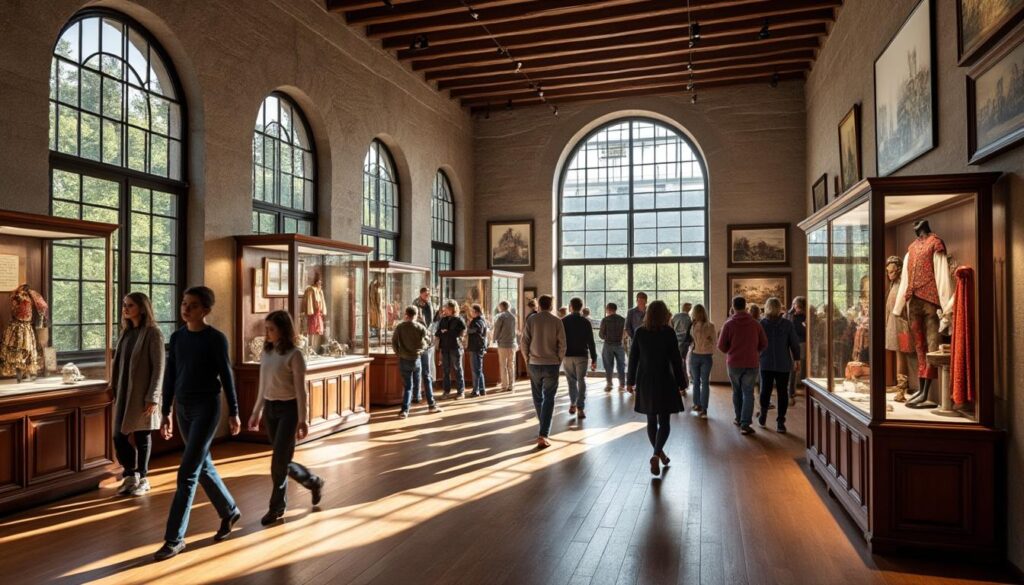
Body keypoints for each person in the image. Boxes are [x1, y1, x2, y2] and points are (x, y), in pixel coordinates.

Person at [155, 286, 241, 561]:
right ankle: (229, 511)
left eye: (192, 305)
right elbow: (170, 377)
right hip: (182, 407)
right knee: (202, 466)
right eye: (183, 303)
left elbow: (226, 377)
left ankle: (174, 539)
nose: (185, 309)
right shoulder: (177, 337)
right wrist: (165, 409)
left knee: (187, 473)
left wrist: (234, 412)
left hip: (206, 407)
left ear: (205, 310)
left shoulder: (216, 339)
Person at [246, 311, 325, 526]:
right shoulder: (267, 353)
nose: (267, 333)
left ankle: (276, 508)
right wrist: (256, 412)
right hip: (271, 409)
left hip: (289, 410)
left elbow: (301, 391)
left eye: (271, 329)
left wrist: (303, 419)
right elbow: (263, 386)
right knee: (282, 461)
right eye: (266, 329)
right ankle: (313, 481)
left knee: (278, 461)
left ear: (283, 329)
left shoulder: (294, 355)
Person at [109, 292, 164, 497]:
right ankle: (130, 475)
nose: (125, 308)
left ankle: (143, 477)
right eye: (124, 305)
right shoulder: (126, 333)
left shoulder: (153, 333)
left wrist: (153, 397)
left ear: (142, 308)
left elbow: (159, 367)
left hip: (143, 394)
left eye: (130, 305)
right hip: (124, 393)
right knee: (119, 436)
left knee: (142, 435)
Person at [626, 300, 686, 476]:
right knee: (664, 422)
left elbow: (633, 359)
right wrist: (682, 383)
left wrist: (629, 381)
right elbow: (676, 360)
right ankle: (656, 454)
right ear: (664, 314)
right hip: (665, 379)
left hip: (645, 380)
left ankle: (658, 454)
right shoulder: (668, 332)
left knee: (651, 421)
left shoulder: (639, 332)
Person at [520, 294, 566, 449]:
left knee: (537, 397)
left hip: (534, 363)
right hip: (551, 363)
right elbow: (562, 344)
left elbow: (524, 342)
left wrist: (527, 359)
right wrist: (558, 360)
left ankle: (543, 428)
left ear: (539, 305)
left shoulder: (532, 320)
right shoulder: (557, 321)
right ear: (551, 306)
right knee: (549, 398)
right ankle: (543, 433)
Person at [718, 296, 767, 436]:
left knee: (736, 391)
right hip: (751, 363)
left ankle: (738, 418)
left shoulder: (728, 324)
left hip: (734, 363)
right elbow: (764, 344)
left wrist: (731, 351)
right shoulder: (756, 324)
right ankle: (745, 424)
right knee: (748, 392)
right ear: (745, 306)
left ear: (733, 307)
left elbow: (721, 346)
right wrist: (755, 352)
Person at [758, 298, 801, 434]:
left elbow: (756, 343)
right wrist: (797, 359)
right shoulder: (787, 324)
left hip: (765, 362)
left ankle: (763, 415)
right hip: (783, 362)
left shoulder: (762, 324)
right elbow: (794, 343)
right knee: (783, 392)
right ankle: (780, 422)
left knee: (765, 389)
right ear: (780, 308)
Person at [392, 306, 441, 417]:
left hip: (404, 359)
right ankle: (429, 403)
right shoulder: (420, 327)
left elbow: (394, 342)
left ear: (406, 314)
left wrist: (398, 353)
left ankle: (405, 410)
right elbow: (428, 341)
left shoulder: (400, 327)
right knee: (417, 382)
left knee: (408, 386)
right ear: (416, 314)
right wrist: (420, 350)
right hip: (416, 359)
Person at [562, 297, 596, 419]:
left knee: (571, 381)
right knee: (581, 380)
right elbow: (591, 342)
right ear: (581, 307)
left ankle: (573, 403)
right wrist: (594, 358)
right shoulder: (586, 322)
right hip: (582, 355)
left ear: (571, 306)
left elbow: (560, 340)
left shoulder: (564, 321)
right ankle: (580, 407)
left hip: (567, 355)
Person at [687, 304, 716, 419]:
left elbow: (690, 340)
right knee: (705, 383)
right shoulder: (711, 326)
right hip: (707, 356)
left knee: (696, 382)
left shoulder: (692, 326)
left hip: (695, 355)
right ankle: (704, 409)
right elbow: (714, 341)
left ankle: (696, 404)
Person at [435, 300, 467, 399]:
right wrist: (444, 332)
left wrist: (447, 332)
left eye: (447, 308)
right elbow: (437, 333)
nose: (445, 310)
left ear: (453, 309)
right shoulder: (443, 320)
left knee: (458, 369)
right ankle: (446, 391)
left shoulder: (459, 320)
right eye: (445, 308)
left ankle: (461, 392)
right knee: (445, 370)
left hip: (455, 347)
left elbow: (461, 333)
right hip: (444, 347)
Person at [412, 287, 437, 403]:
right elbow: (418, 321)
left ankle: (428, 394)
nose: (428, 296)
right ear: (421, 294)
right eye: (426, 294)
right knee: (420, 369)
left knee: (427, 369)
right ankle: (418, 394)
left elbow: (432, 321)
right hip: (420, 340)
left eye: (429, 295)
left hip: (429, 340)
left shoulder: (430, 304)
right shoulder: (416, 304)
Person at [599, 302, 626, 391]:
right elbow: (625, 333)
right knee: (621, 365)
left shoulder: (605, 320)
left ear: (608, 309)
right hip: (619, 344)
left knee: (608, 365)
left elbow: (601, 335)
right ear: (615, 309)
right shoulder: (622, 320)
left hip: (608, 345)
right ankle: (622, 385)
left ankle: (609, 384)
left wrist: (607, 337)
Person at [785, 296, 807, 402]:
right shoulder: (788, 315)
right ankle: (791, 391)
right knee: (793, 368)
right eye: (795, 306)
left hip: (802, 343)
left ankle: (805, 389)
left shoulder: (806, 316)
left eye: (799, 307)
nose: (797, 309)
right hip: (791, 344)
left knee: (803, 368)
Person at [493, 301, 518, 392]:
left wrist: (494, 339)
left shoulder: (501, 316)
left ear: (502, 307)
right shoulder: (513, 317)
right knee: (511, 365)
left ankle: (504, 385)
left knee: (503, 365)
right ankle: (511, 385)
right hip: (512, 344)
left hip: (503, 344)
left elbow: (496, 329)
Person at [670, 301, 693, 391]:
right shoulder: (689, 319)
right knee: (682, 362)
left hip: (675, 341)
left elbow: (671, 326)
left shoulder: (675, 316)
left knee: (677, 361)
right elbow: (690, 332)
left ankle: (677, 382)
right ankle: (684, 383)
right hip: (684, 342)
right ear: (689, 309)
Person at [466, 304, 489, 397]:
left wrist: (468, 329)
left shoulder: (476, 321)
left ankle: (476, 391)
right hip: (479, 347)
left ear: (476, 311)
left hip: (475, 348)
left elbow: (474, 330)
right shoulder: (482, 320)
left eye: (472, 311)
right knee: (479, 370)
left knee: (475, 370)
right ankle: (482, 389)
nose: (471, 313)